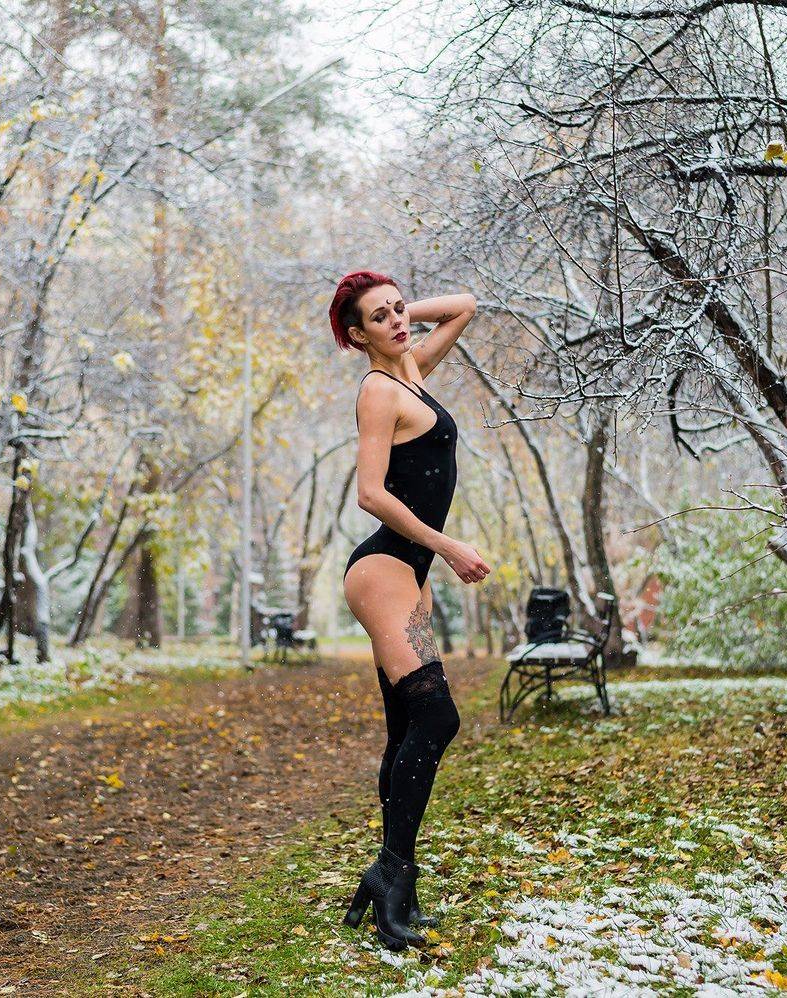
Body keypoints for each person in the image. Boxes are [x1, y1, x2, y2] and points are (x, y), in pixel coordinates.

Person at [332, 270, 491, 951]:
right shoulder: (378, 390)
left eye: (400, 310)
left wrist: (394, 317)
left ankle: (391, 882)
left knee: (406, 730)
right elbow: (371, 493)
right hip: (385, 570)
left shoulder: (411, 372)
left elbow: (465, 306)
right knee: (436, 717)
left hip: (409, 574)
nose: (400, 321)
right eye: (381, 316)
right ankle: (392, 872)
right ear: (355, 335)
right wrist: (447, 546)